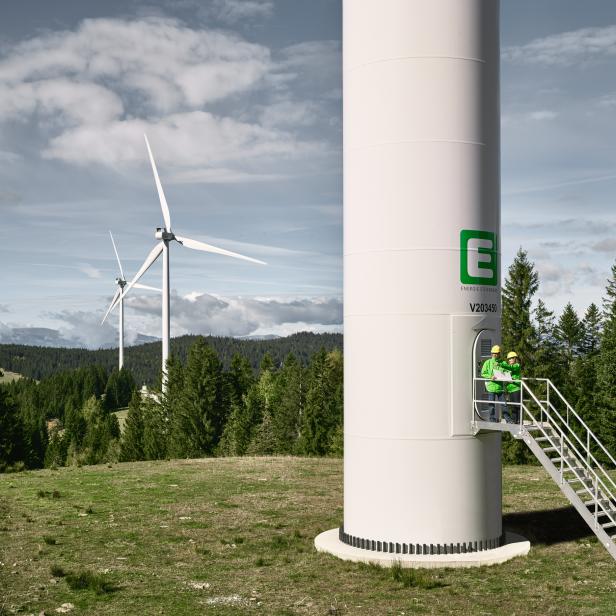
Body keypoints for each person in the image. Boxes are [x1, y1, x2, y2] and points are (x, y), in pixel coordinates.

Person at [480, 345, 506, 422]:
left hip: (499, 387)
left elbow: (506, 372)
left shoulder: (502, 363)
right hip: (491, 387)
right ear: (491, 353)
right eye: (493, 353)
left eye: (496, 353)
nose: (495, 355)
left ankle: (508, 419)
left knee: (504, 404)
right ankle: (492, 419)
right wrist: (490, 376)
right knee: (491, 405)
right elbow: (483, 373)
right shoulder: (487, 362)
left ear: (499, 353)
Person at [503, 351, 522, 423]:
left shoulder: (517, 365)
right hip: (510, 389)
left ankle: (519, 420)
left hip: (516, 388)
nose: (509, 360)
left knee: (517, 406)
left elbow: (512, 368)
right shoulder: (509, 367)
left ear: (515, 358)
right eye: (509, 359)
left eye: (511, 358)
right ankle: (514, 420)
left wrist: (513, 380)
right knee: (513, 406)